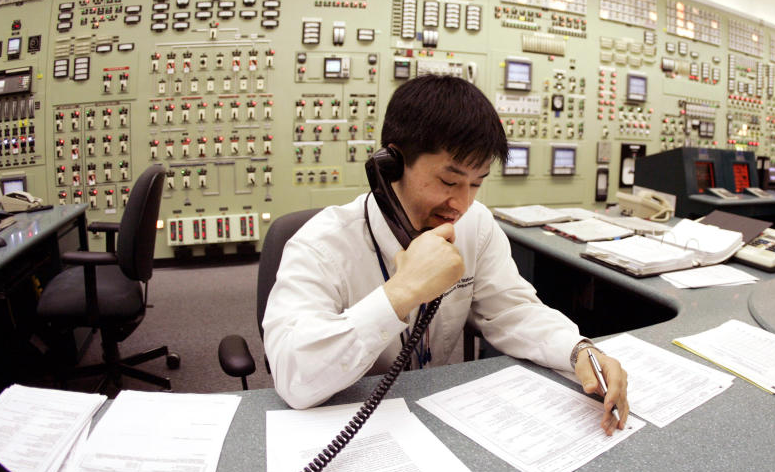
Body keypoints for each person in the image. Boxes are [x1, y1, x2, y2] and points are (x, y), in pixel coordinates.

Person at [263, 75, 629, 435]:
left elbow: (512, 310)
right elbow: (293, 376)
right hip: (344, 425)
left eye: (476, 184)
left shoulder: (476, 226)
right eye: (449, 182)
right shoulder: (322, 244)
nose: (462, 204)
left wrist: (578, 350)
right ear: (391, 163)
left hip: (431, 414)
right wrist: (401, 292)